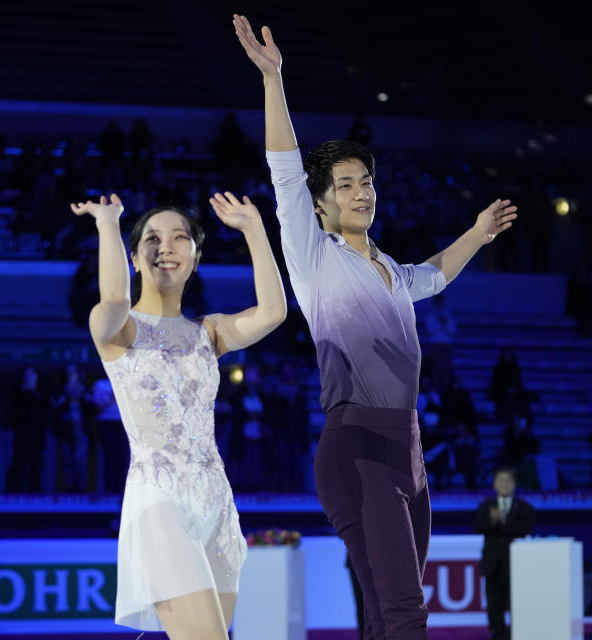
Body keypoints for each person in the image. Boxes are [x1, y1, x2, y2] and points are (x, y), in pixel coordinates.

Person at [232, 13, 518, 639]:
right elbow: (284, 168)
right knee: (403, 610)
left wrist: (476, 232)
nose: (361, 192)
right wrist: (273, 79)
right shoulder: (313, 259)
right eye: (345, 184)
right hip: (356, 446)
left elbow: (435, 276)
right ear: (321, 203)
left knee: (387, 616)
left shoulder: (390, 269)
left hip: (408, 453)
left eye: (366, 181)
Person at [72, 169, 286, 634]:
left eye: (178, 237)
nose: (164, 246)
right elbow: (111, 297)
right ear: (133, 257)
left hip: (218, 509)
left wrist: (254, 230)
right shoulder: (119, 330)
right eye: (151, 238)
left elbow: (273, 312)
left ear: (196, 256)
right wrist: (108, 223)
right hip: (159, 506)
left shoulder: (207, 332)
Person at [473, 466, 535, 640]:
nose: (504, 484)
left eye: (508, 480)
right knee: (494, 606)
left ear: (515, 484)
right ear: (494, 485)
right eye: (500, 480)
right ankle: (498, 635)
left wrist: (505, 522)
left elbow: (526, 529)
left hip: (517, 567)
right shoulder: (486, 506)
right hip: (493, 566)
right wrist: (492, 521)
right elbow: (477, 526)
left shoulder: (524, 508)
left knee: (518, 606)